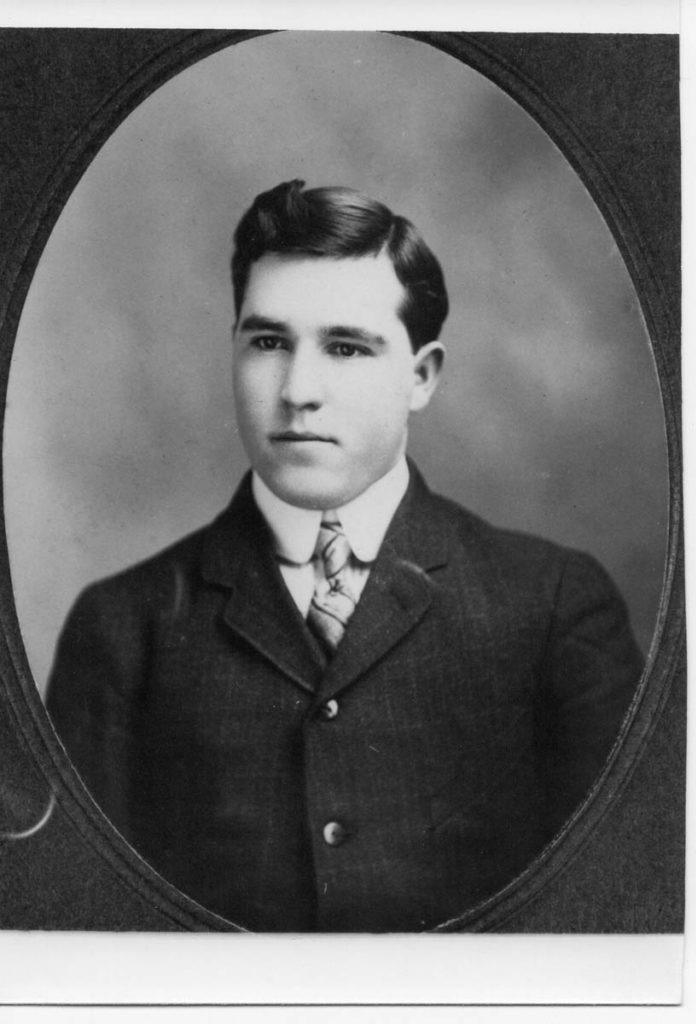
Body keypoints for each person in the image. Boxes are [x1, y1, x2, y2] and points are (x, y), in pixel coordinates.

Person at [46, 179, 643, 932]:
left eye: (346, 347)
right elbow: (84, 937)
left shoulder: (552, 605)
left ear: (421, 377)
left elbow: (617, 920)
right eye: (268, 342)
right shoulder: (123, 627)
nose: (298, 390)